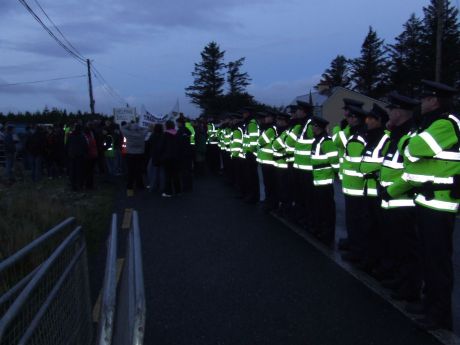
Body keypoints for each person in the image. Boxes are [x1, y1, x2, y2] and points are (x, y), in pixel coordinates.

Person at [385, 80, 459, 330]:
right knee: (428, 258)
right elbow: (414, 161)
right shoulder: (431, 124)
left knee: (437, 262)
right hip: (427, 201)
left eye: (425, 99)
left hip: (440, 204)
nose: (422, 103)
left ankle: (440, 315)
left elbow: (416, 149)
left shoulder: (446, 123)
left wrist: (406, 145)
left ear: (435, 101)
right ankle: (429, 305)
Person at [378, 92, 422, 301]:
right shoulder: (395, 134)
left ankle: (409, 288)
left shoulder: (412, 136)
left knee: (407, 248)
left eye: (391, 110)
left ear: (400, 112)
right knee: (394, 243)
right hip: (391, 199)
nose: (389, 113)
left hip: (404, 201)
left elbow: (413, 170)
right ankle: (398, 279)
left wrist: (391, 190)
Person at [310, 116, 339, 246]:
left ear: (319, 127)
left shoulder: (326, 141)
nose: (312, 128)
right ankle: (321, 231)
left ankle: (328, 235)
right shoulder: (317, 140)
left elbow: (334, 160)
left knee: (327, 209)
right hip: (318, 179)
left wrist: (337, 174)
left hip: (325, 180)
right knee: (320, 207)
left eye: (314, 126)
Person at [256, 111, 278, 212]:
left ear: (272, 118)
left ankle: (270, 203)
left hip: (269, 160)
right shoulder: (267, 128)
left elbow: (260, 141)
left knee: (270, 184)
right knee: (268, 183)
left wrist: (260, 138)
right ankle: (268, 202)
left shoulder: (271, 129)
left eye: (268, 117)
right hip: (266, 160)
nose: (265, 119)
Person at [121, 120, 148, 194]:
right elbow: (146, 129)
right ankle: (140, 186)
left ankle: (129, 188)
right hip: (140, 154)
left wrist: (129, 124)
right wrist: (139, 126)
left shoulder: (128, 134)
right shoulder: (142, 134)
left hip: (130, 154)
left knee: (131, 171)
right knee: (139, 170)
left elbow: (122, 128)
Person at [241, 107, 260, 203]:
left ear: (248, 113)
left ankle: (254, 196)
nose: (243, 115)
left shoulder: (251, 123)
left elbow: (253, 140)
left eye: (244, 113)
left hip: (251, 154)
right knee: (250, 176)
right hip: (248, 153)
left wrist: (250, 152)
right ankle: (251, 195)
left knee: (252, 176)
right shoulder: (248, 123)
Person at [160, 120, 181, 197]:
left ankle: (169, 192)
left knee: (168, 175)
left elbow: (161, 147)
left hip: (167, 157)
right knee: (176, 174)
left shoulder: (165, 134)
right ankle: (178, 191)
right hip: (176, 157)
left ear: (166, 126)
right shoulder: (177, 134)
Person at [67, 124, 88, 191]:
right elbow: (85, 146)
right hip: (79, 156)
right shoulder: (82, 136)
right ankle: (79, 186)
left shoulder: (71, 136)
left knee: (72, 171)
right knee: (79, 171)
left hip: (72, 156)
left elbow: (67, 145)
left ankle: (73, 186)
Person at [147, 123, 165, 192]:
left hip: (154, 156)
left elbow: (149, 144)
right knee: (162, 172)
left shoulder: (152, 136)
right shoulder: (163, 135)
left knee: (153, 172)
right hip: (162, 156)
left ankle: (153, 187)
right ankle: (162, 187)